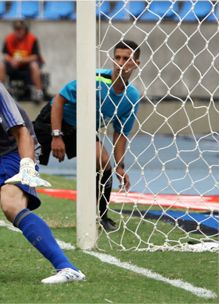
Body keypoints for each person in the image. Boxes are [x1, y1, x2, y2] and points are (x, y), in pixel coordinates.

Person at [33, 40, 141, 232]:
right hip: (53, 120)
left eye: (126, 59)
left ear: (136, 63)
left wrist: (120, 166)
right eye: (117, 58)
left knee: (105, 164)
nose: (121, 62)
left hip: (82, 129)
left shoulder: (132, 97)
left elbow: (121, 132)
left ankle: (101, 217)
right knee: (26, 160)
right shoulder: (96, 79)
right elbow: (59, 100)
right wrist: (56, 136)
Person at [0, 83, 85, 284]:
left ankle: (67, 268)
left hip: (14, 152)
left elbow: (23, 134)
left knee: (11, 203)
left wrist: (27, 166)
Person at [0, 20, 44, 102]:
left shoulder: (32, 39)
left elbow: (35, 56)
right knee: (1, 65)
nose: (18, 31)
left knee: (34, 65)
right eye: (16, 29)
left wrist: (21, 61)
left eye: (20, 29)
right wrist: (12, 60)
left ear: (25, 29)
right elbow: (5, 55)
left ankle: (39, 92)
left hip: (27, 65)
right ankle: (1, 92)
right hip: (13, 64)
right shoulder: (8, 38)